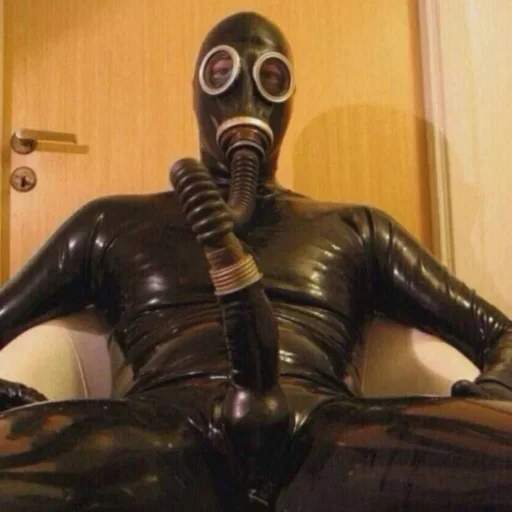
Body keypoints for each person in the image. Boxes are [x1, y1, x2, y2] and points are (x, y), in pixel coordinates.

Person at [0, 11, 511, 512]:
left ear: (288, 100)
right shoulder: (111, 222)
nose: (245, 97)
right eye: (222, 72)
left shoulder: (357, 227)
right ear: (197, 92)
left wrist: (480, 402)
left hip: (323, 441)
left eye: (270, 78)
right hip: (158, 443)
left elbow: (500, 335)